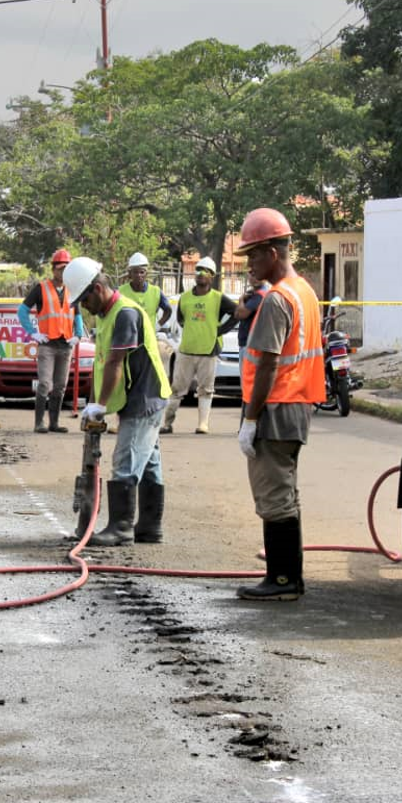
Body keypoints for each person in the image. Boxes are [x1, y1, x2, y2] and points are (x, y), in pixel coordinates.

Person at [233, 208, 324, 601]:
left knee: (273, 494)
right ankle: (289, 578)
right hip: (297, 406)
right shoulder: (304, 291)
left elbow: (268, 363)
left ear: (272, 251)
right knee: (286, 493)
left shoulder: (276, 300)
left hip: (275, 407)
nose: (250, 263)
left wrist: (250, 418)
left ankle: (283, 581)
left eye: (253, 254)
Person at [62, 257, 173, 546]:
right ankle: (149, 527)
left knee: (126, 459)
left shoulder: (125, 313)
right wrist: (95, 401)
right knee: (148, 462)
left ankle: (121, 527)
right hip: (138, 394)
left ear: (97, 289)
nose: (82, 308)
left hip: (145, 396)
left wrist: (99, 406)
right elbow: (102, 363)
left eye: (83, 301)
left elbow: (114, 362)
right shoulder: (107, 314)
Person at [164, 256, 239, 435]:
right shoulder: (185, 298)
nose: (200, 274)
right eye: (198, 270)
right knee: (176, 389)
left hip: (209, 350)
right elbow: (181, 319)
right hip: (187, 350)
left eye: (205, 271)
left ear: (211, 276)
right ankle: (167, 423)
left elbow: (236, 313)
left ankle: (202, 424)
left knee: (206, 390)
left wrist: (220, 330)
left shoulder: (218, 298)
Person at [18, 248, 87, 434]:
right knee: (44, 384)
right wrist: (33, 333)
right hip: (47, 344)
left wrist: (78, 335)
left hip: (65, 344)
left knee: (60, 386)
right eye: (60, 268)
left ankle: (54, 423)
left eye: (66, 268)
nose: (63, 272)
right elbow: (22, 311)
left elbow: (77, 314)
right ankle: (39, 422)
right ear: (53, 269)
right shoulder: (41, 288)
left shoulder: (72, 290)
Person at [118, 252, 174, 333]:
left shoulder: (156, 292)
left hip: (148, 339)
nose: (139, 275)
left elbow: (168, 310)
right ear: (130, 274)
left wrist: (157, 326)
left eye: (142, 272)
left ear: (146, 274)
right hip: (128, 339)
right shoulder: (121, 292)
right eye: (135, 272)